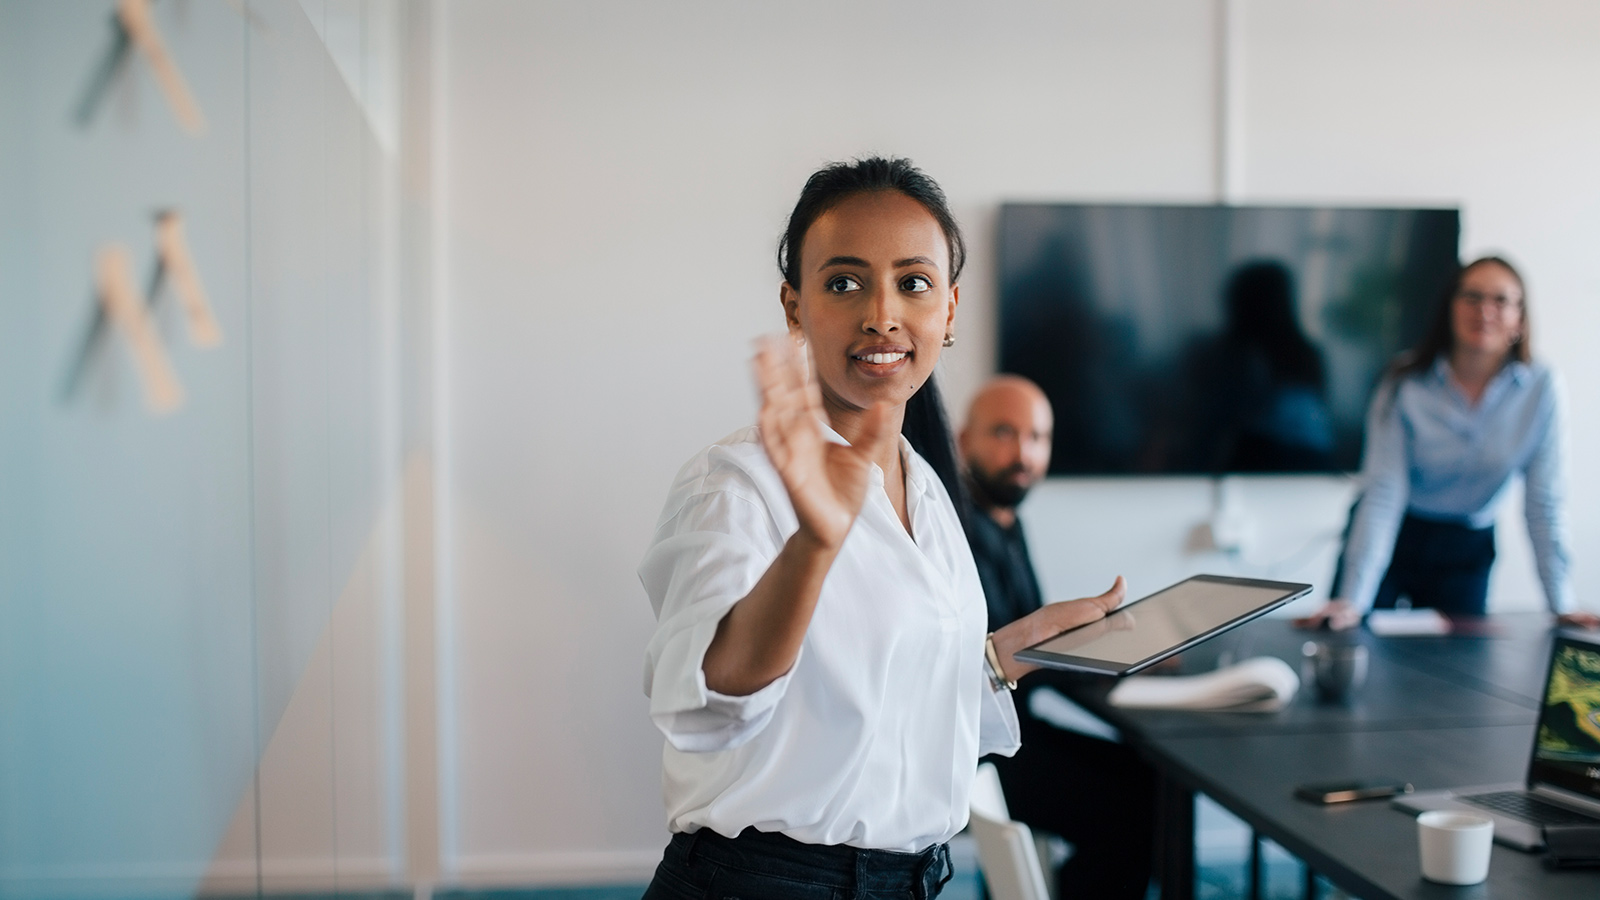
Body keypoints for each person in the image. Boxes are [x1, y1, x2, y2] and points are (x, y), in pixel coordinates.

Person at [637, 157, 1127, 899]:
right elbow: (715, 695)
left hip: (906, 880)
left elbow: (888, 690)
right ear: (794, 305)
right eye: (843, 282)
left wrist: (1017, 650)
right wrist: (815, 543)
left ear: (951, 309)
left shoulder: (925, 484)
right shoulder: (735, 482)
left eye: (913, 282)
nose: (881, 314)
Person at [1297, 256, 1600, 630]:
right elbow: (1383, 494)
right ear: (1450, 308)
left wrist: (1562, 603)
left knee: (1459, 669)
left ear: (1520, 318)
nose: (1484, 311)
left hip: (1466, 546)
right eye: (1471, 297)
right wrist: (1352, 601)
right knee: (1351, 638)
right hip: (1396, 534)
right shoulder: (1404, 381)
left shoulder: (1542, 388)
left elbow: (1544, 502)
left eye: (1501, 300)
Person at [960, 374, 1157, 899]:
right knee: (1136, 805)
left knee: (1147, 779)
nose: (1022, 452)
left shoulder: (1006, 521)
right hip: (983, 751)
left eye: (1037, 437)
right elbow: (1002, 657)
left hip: (1022, 734)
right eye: (1003, 432)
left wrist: (1112, 653)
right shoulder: (956, 531)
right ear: (964, 441)